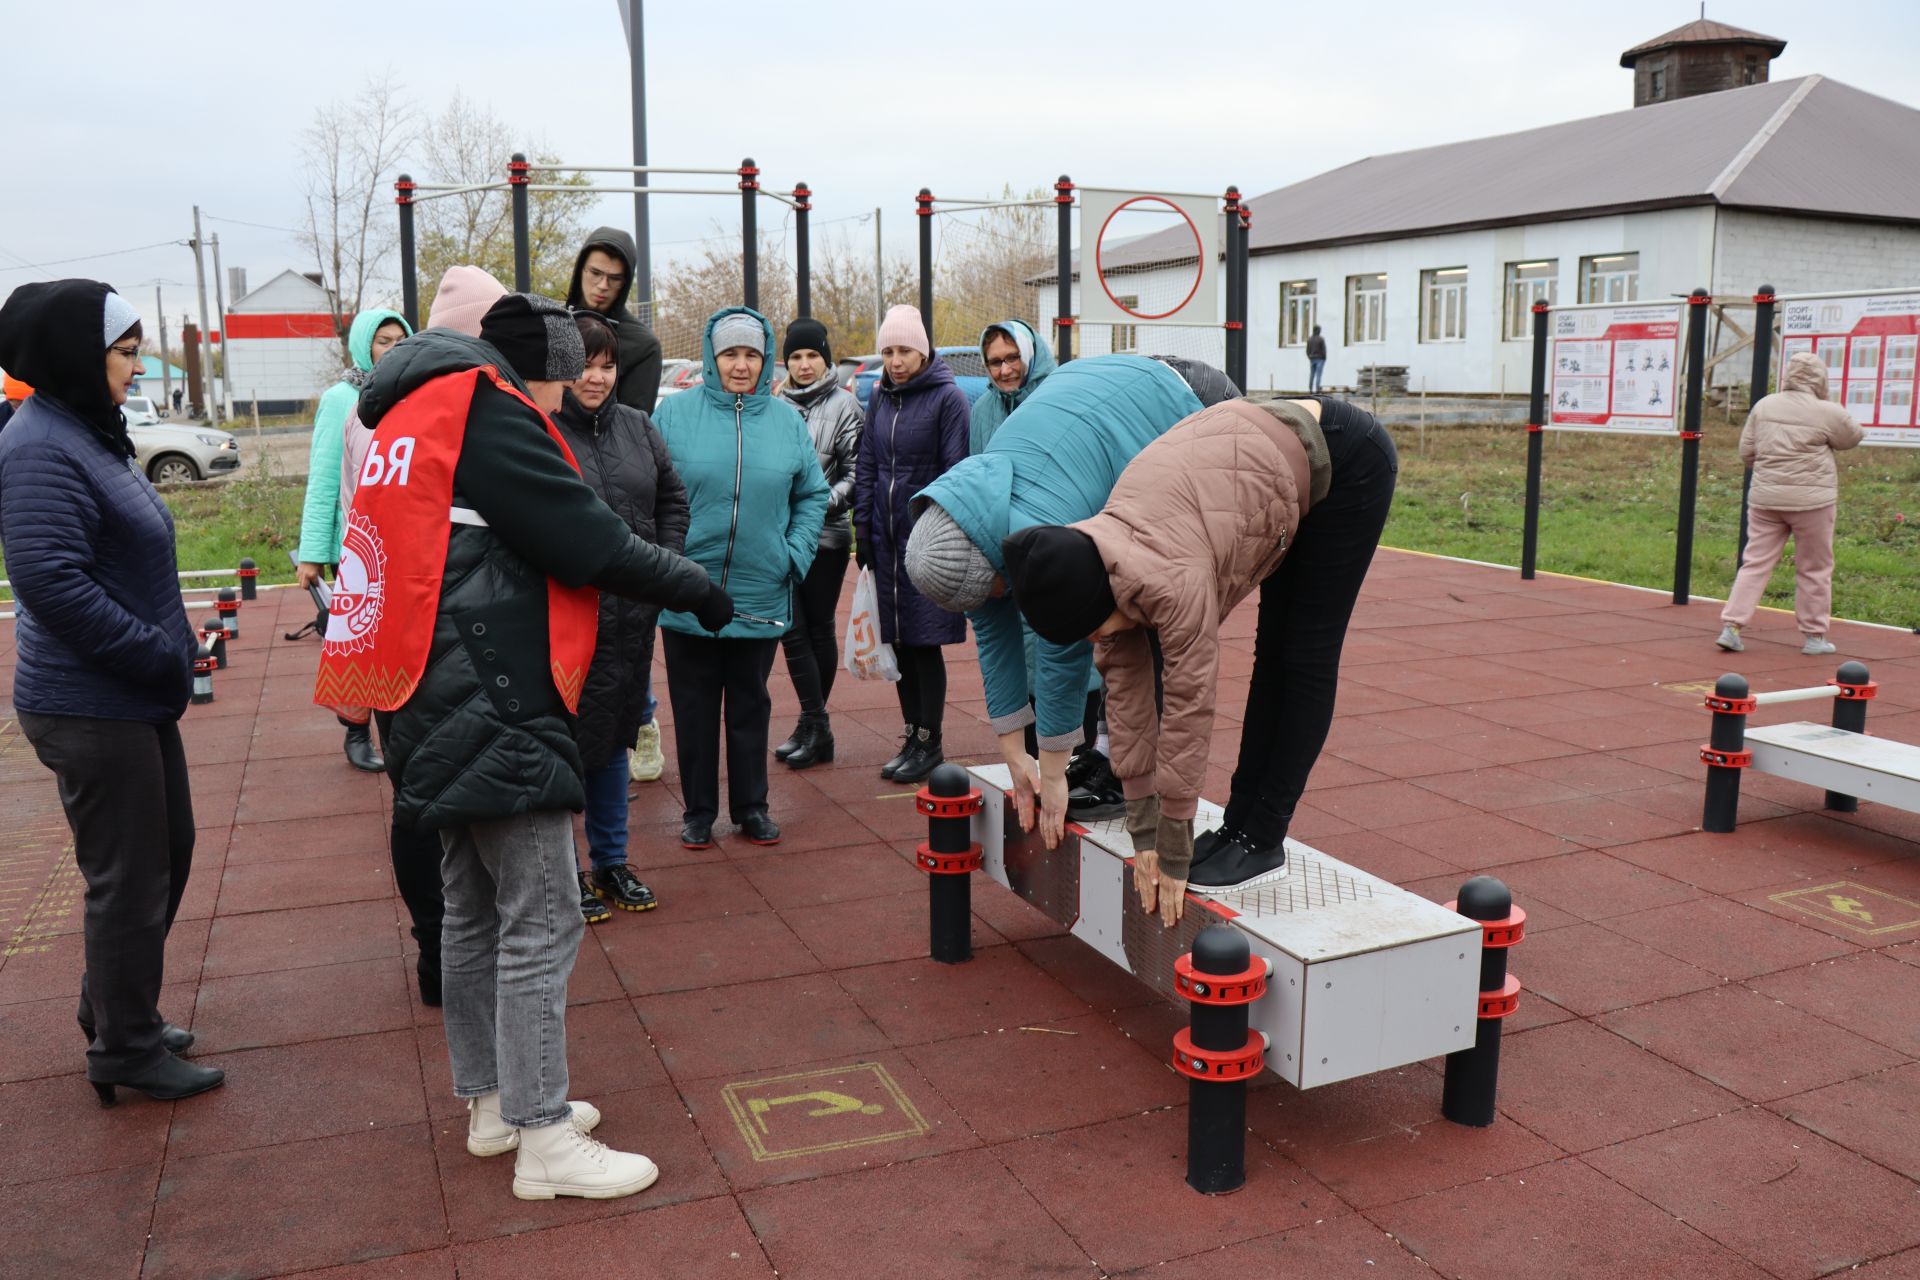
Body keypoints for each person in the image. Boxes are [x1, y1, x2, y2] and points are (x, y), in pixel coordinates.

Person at [320, 291, 732, 1200]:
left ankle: (494, 1104)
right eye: (564, 378)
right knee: (541, 914)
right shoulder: (488, 411)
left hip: (424, 689)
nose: (565, 404)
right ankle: (544, 1135)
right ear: (538, 368)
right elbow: (584, 537)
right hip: (493, 688)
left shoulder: (407, 408)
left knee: (470, 907)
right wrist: (695, 585)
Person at [1002, 391, 1397, 919]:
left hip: (1347, 459)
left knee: (1302, 656)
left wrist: (1173, 844)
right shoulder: (1098, 559)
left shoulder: (1170, 581)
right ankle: (1239, 826)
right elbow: (1129, 705)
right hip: (1258, 461)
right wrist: (1145, 832)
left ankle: (1260, 836)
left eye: (1095, 630)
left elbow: (1189, 706)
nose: (1098, 640)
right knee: (1270, 654)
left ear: (1104, 598)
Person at [0, 280, 222, 1105]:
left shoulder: (87, 432)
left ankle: (115, 1005)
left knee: (169, 852)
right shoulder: (39, 446)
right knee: (129, 873)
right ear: (75, 357)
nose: (136, 368)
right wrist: (152, 655)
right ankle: (124, 1048)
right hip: (91, 700)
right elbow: (50, 583)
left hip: (129, 692)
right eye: (125, 354)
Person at [905, 355, 1217, 845]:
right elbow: (992, 630)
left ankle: (1135, 773)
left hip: (1191, 405)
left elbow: (1063, 643)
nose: (996, 600)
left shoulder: (1041, 519)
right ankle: (1114, 758)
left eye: (991, 589)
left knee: (1148, 607)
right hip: (1121, 393)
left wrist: (1051, 770)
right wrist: (1013, 750)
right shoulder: (973, 516)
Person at [334, 265, 507, 1006]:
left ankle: (437, 946)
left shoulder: (372, 414)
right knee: (456, 796)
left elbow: (359, 517)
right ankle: (453, 945)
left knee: (416, 792)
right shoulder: (465, 407)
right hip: (448, 620)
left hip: (386, 611)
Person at [655, 307, 829, 849]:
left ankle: (752, 806)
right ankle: (699, 811)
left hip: (760, 586)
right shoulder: (674, 415)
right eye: (730, 353)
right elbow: (653, 493)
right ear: (711, 355)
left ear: (764, 359)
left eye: (750, 354)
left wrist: (792, 555)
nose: (740, 365)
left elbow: (812, 495)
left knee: (751, 703)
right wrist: (667, 559)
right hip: (689, 587)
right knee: (694, 705)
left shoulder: (785, 422)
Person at [554, 311, 688, 921]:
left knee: (616, 739)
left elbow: (671, 500)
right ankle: (569, 872)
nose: (597, 377)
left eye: (607, 366)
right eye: (586, 364)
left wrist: (663, 569)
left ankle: (611, 861)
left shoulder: (640, 427)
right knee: (566, 743)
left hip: (632, 616)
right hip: (569, 618)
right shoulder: (542, 430)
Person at [854, 305, 971, 783]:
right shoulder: (881, 398)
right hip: (885, 539)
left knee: (925, 643)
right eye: (887, 351)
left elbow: (956, 472)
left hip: (928, 543)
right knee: (898, 642)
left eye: (904, 350)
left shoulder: (948, 399)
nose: (895, 360)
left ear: (922, 350)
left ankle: (932, 739)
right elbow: (867, 465)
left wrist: (934, 534)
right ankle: (913, 731)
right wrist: (863, 528)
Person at [298, 305, 412, 773]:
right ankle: (354, 731)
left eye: (400, 340)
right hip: (358, 546)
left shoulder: (411, 392)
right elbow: (325, 479)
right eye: (384, 340)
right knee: (356, 639)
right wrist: (312, 555)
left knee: (396, 640)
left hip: (402, 543)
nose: (393, 349)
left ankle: (398, 726)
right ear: (364, 344)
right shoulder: (341, 398)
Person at [1718, 351, 1863, 657]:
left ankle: (1731, 627)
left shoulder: (1765, 405)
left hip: (1765, 500)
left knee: (1755, 563)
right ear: (1820, 379)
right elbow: (1853, 437)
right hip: (1814, 503)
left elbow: (1747, 451)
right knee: (1814, 568)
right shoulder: (1827, 411)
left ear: (1788, 376)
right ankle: (1814, 637)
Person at [771, 317, 861, 770]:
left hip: (825, 537)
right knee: (792, 629)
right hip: (784, 537)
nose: (804, 364)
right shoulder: (775, 404)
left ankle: (813, 724)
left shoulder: (846, 406)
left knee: (817, 628)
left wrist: (815, 505)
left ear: (826, 359)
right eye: (796, 356)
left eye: (812, 355)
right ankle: (814, 723)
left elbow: (856, 473)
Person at [566, 227, 664, 413]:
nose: (603, 285)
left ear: (625, 282)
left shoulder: (642, 345)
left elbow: (632, 425)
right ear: (581, 270)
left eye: (614, 278)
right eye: (595, 273)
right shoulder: (551, 326)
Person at [969, 318, 1055, 455]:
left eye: (1013, 358)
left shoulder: (1058, 402)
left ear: (1029, 354)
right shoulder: (981, 410)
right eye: (995, 362)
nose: (1005, 371)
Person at [1306, 325, 1327, 394]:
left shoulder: (1309, 339)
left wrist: (1309, 357)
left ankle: (1310, 389)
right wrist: (1324, 358)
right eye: (1319, 330)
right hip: (1320, 358)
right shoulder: (1321, 339)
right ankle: (1317, 390)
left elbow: (1307, 350)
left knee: (1312, 375)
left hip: (1312, 358)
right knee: (1318, 375)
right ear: (1317, 330)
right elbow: (1324, 350)